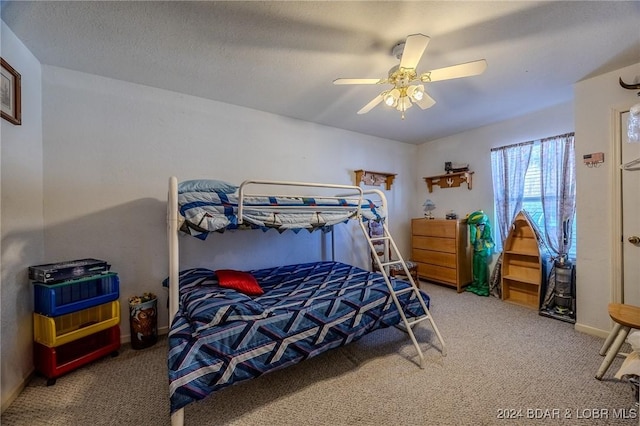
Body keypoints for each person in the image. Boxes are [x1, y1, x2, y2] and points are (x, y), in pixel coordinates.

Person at [466, 210, 494, 296]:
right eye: (477, 225)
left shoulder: (486, 228)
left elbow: (488, 240)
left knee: (482, 269)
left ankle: (482, 286)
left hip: (483, 251)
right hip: (476, 250)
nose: (479, 227)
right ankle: (476, 284)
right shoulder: (475, 228)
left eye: (480, 225)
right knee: (475, 268)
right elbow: (473, 239)